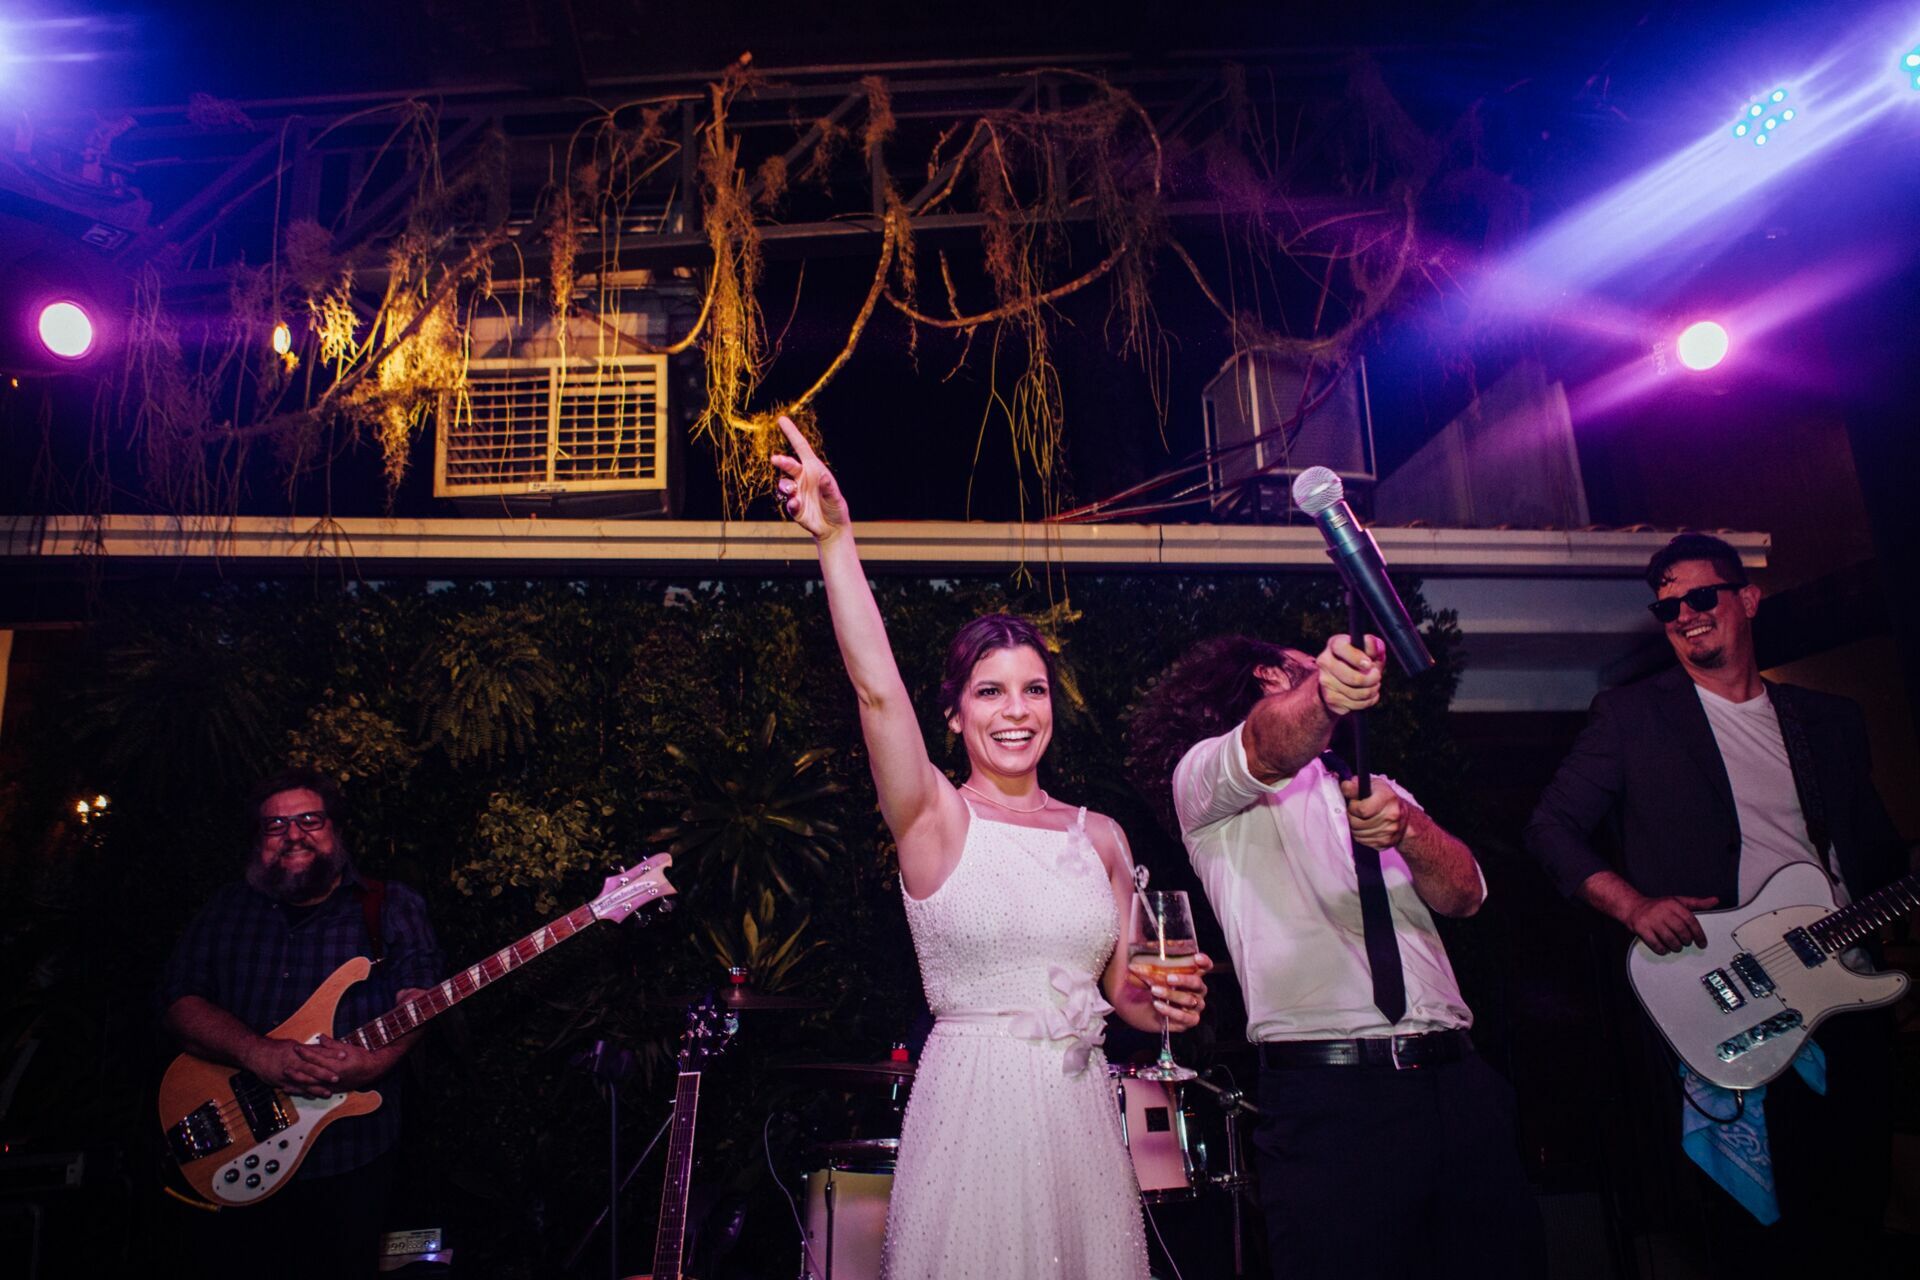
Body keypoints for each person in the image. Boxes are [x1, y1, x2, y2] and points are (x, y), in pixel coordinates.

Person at [770, 416, 1210, 1279]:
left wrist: (1169, 1008)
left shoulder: (1102, 837)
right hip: (972, 1116)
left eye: (1034, 690)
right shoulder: (933, 819)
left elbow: (1125, 994)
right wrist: (835, 542)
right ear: (956, 714)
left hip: (1082, 1121)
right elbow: (876, 689)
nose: (1017, 711)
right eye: (991, 692)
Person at [1524, 532, 1907, 1271]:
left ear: (1747, 598)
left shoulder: (1830, 720)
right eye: (1668, 606)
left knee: (1855, 1214)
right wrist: (1632, 906)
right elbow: (1550, 827)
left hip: (1847, 993)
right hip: (1738, 994)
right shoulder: (1633, 717)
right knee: (1757, 1241)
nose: (1685, 615)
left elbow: (1878, 856)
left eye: (1701, 596)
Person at [1129, 632, 1544, 1277]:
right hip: (1334, 1103)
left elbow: (1465, 894)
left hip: (1458, 1085)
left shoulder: (1379, 787)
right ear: (1270, 677)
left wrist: (1408, 826)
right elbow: (1270, 743)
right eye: (1306, 672)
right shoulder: (1206, 784)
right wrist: (1324, 692)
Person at [161, 767, 444, 1279]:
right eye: (276, 826)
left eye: (310, 820)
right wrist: (255, 1054)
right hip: (235, 1150)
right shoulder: (227, 909)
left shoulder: (390, 906)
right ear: (259, 840)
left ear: (335, 829)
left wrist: (371, 1063)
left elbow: (418, 999)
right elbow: (179, 1002)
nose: (294, 834)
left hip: (352, 1156)